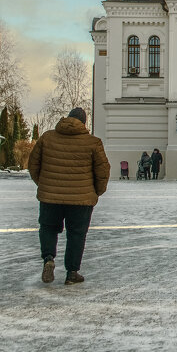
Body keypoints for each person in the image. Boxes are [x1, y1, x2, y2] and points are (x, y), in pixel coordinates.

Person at [28, 108, 109, 286]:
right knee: (76, 234)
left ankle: (48, 258)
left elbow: (33, 164)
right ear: (84, 122)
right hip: (81, 199)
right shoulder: (93, 142)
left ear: (67, 118)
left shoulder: (47, 138)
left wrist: (44, 185)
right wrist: (96, 191)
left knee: (48, 228)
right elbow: (102, 171)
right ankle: (72, 273)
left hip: (50, 197)